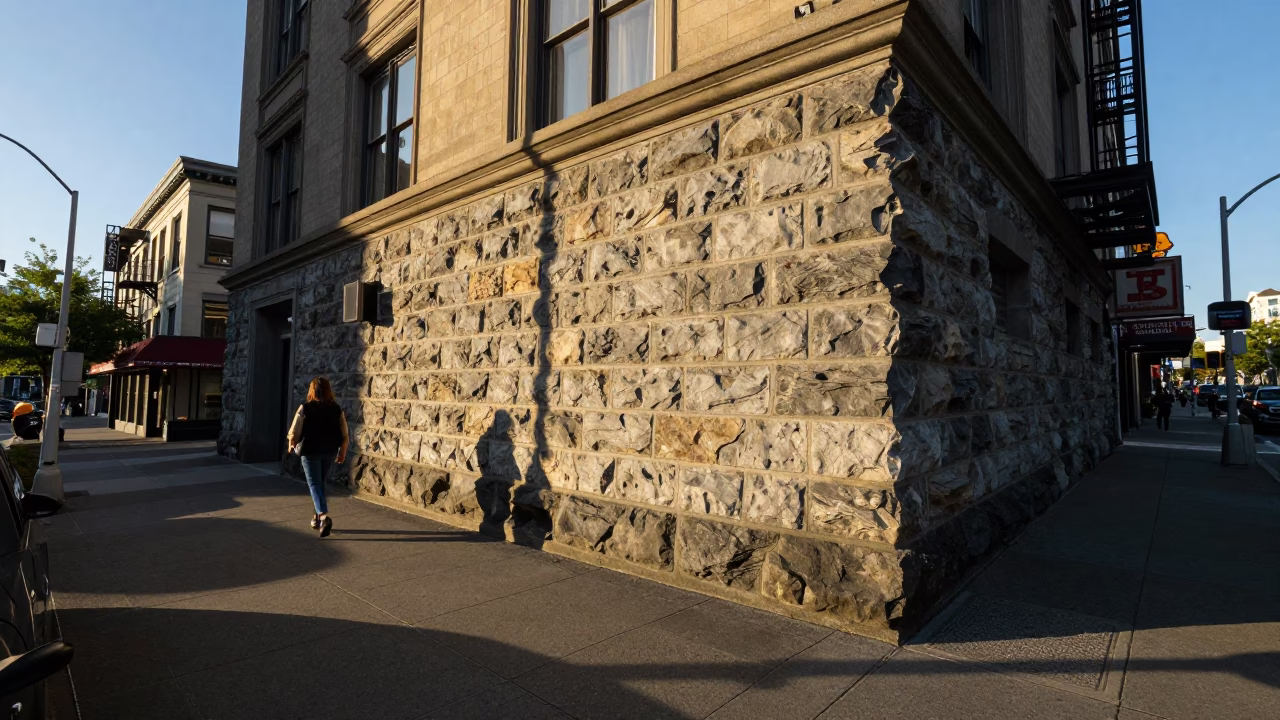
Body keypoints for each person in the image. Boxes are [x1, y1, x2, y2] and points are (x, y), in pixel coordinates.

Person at [287, 377, 349, 538]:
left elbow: (294, 430)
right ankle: (316, 519)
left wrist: (291, 444)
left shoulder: (306, 408)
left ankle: (323, 517)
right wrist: (342, 452)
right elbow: (344, 434)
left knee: (314, 484)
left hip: (310, 451)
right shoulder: (336, 409)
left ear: (312, 390)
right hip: (329, 450)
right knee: (320, 483)